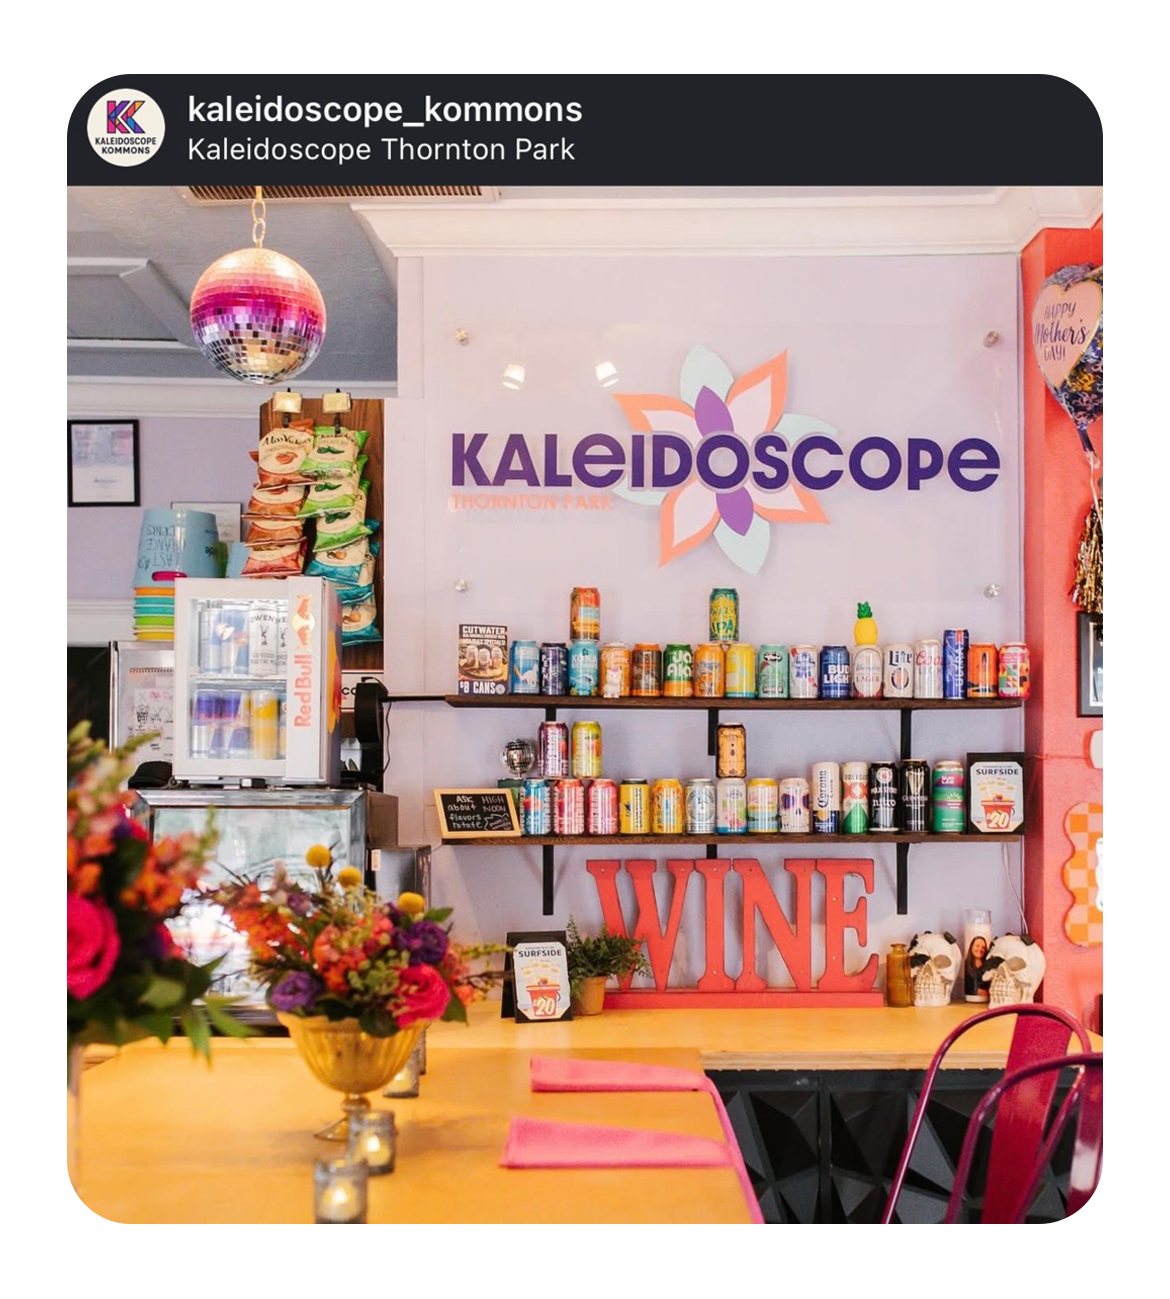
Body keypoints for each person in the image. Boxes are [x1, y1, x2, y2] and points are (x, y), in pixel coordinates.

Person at [964, 934, 989, 1001]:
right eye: (977, 946)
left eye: (983, 947)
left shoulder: (988, 964)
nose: (980, 949)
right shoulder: (965, 965)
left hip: (985, 1000)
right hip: (969, 1000)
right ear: (971, 947)